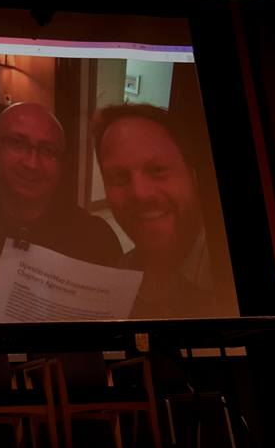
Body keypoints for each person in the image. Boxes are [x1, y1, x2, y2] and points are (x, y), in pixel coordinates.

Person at [93, 104, 216, 319]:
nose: (140, 193)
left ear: (193, 174)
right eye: (119, 177)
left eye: (157, 170)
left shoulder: (225, 269)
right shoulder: (122, 272)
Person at [0, 102, 122, 266]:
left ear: (62, 165)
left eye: (48, 151)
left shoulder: (96, 239)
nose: (32, 164)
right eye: (18, 143)